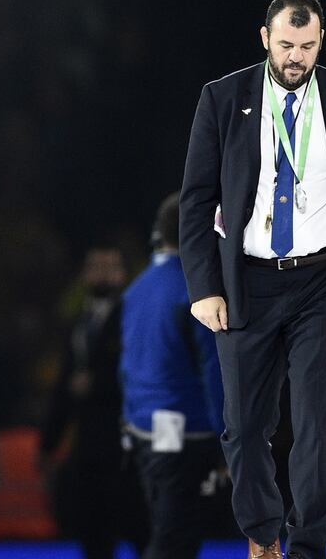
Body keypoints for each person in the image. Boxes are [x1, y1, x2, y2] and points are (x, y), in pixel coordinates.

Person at [179, 0, 326, 559]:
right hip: (244, 282)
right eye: (286, 45)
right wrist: (203, 286)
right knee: (244, 427)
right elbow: (196, 199)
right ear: (264, 39)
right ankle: (261, 532)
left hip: (325, 282)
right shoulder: (222, 98)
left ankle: (306, 544)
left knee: (317, 420)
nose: (296, 57)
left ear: (321, 40)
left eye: (307, 46)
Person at [120, 192, 225, 559]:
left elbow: (128, 365)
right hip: (186, 431)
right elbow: (214, 368)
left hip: (143, 430)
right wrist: (227, 431)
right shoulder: (195, 293)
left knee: (167, 531)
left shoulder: (136, 288)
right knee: (176, 539)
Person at [40, 245, 146, 559]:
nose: (102, 274)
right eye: (95, 266)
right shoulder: (80, 322)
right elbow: (64, 385)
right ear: (85, 274)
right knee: (92, 529)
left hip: (125, 441)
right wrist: (49, 443)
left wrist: (97, 384)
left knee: (137, 526)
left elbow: (142, 374)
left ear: (123, 275)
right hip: (87, 444)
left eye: (109, 267)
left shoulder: (133, 318)